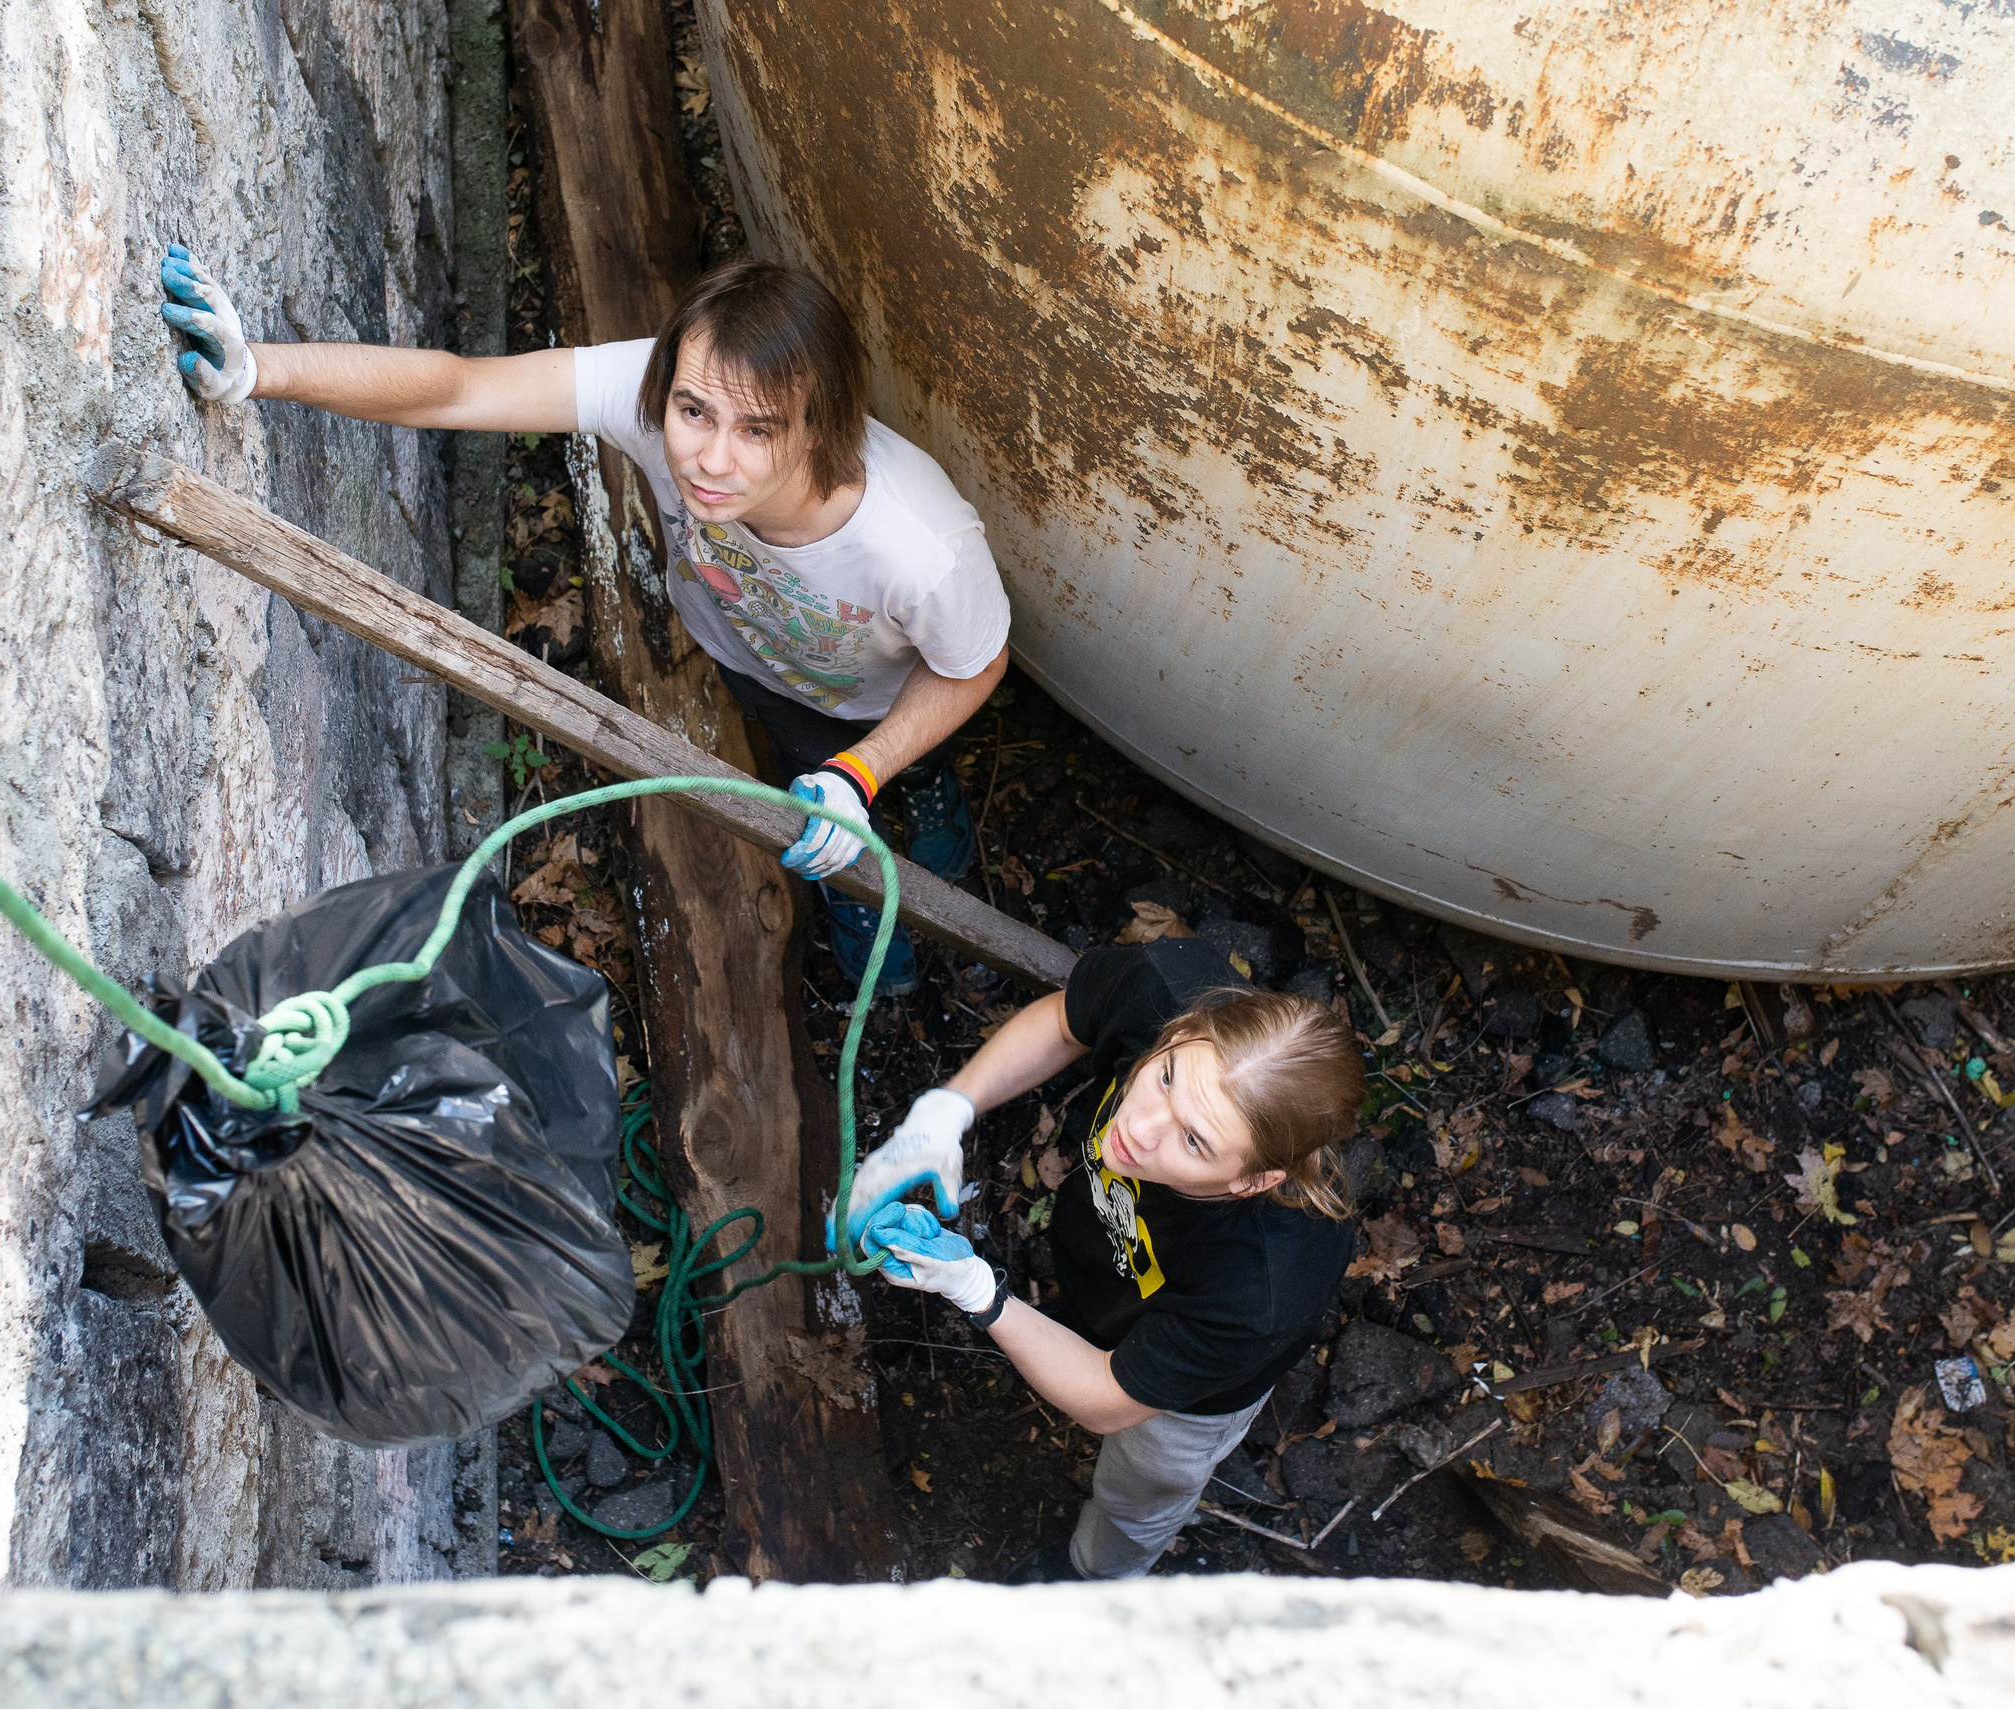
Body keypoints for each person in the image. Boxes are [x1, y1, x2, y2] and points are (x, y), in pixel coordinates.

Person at [156, 246, 1010, 995]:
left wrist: (864, 769)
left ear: (822, 424)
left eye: (758, 431)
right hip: (758, 664)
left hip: (883, 693)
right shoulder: (654, 393)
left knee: (871, 770)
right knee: (809, 784)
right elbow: (461, 386)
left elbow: (974, 663)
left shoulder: (918, 547)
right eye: (693, 413)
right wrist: (258, 368)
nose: (710, 459)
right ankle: (859, 889)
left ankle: (919, 790)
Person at [842, 936, 1364, 1581]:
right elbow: (1064, 1022)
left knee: (1140, 1489)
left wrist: (977, 1291)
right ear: (1182, 1030)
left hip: (1186, 1404)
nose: (1139, 1129)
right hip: (1108, 1269)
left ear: (1251, 1181)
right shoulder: (1160, 986)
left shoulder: (1264, 1286)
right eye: (1166, 1078)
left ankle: (1097, 1578)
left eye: (1194, 1141)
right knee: (1086, 1320)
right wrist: (949, 1109)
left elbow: (1106, 1399)